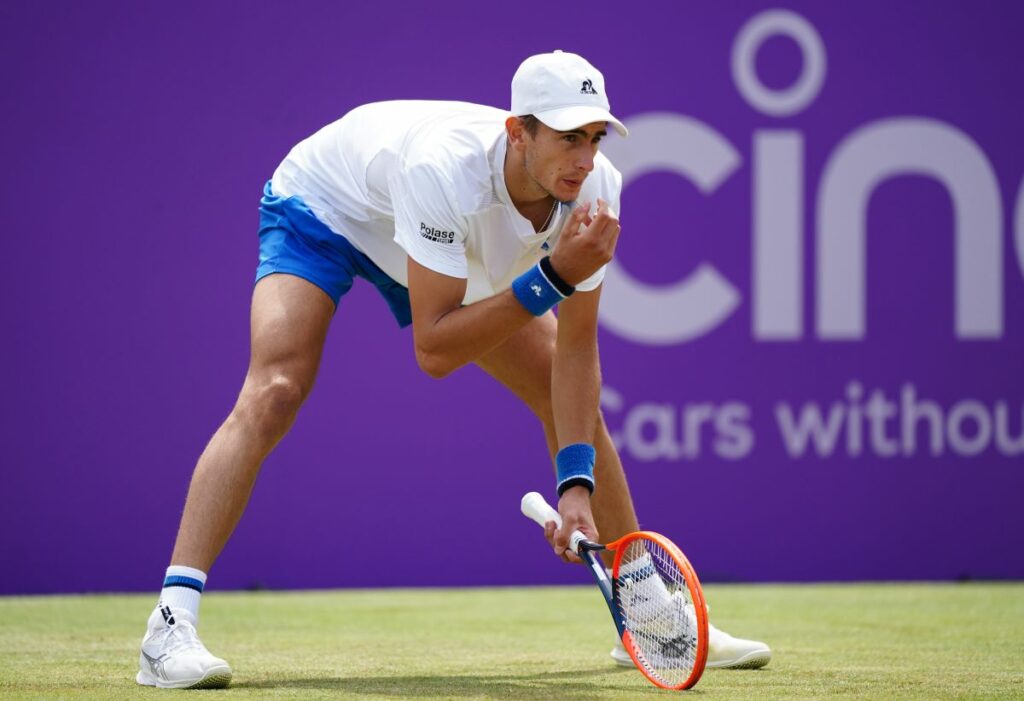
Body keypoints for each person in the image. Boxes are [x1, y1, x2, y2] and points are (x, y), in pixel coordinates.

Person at [136, 50, 771, 690]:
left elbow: (577, 352)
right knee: (276, 390)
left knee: (561, 385)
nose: (585, 157)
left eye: (595, 137)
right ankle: (169, 627)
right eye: (568, 137)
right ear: (518, 131)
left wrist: (574, 487)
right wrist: (553, 277)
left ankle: (646, 610)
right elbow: (435, 352)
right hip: (329, 206)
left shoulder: (597, 188)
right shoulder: (442, 169)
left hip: (448, 244)